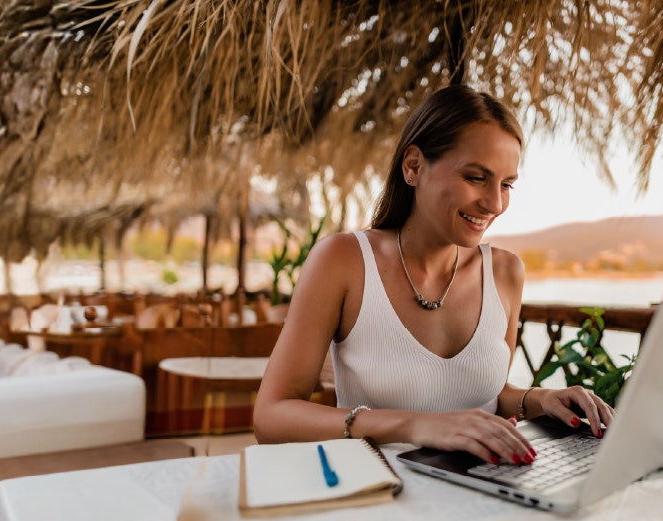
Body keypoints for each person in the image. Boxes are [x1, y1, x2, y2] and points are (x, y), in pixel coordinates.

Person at [251, 86, 613, 466]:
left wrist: (538, 399)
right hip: (379, 497)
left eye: (506, 184)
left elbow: (487, 394)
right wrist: (416, 425)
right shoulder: (344, 260)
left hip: (487, 495)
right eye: (476, 178)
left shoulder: (506, 272)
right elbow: (271, 418)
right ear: (413, 167)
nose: (495, 203)